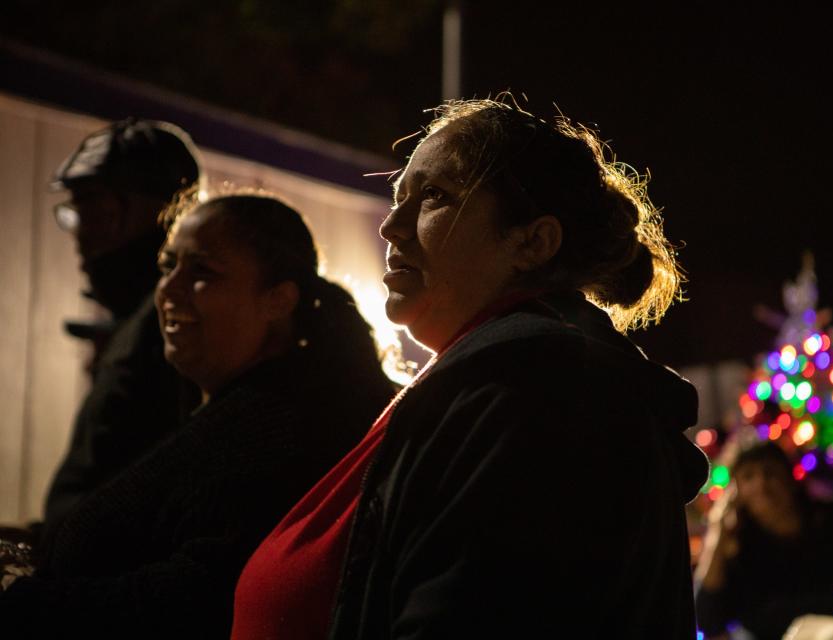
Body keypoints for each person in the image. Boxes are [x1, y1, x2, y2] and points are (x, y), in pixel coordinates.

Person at [232, 97, 709, 639]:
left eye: (434, 196)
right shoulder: (489, 382)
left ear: (531, 242)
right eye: (398, 198)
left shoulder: (533, 396)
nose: (392, 226)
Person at [0, 192, 397, 638]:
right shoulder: (224, 410)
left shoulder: (282, 430)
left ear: (279, 300)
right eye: (168, 266)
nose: (168, 289)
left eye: (202, 271)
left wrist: (19, 599)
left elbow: (195, 600)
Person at [43, 118, 202, 531]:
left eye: (99, 211)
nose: (81, 236)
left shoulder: (177, 325)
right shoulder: (140, 320)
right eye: (75, 214)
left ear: (164, 210)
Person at [694, 441, 833, 640]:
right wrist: (719, 531)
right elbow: (708, 619)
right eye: (748, 476)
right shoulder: (742, 549)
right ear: (736, 492)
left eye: (770, 472)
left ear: (789, 478)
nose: (762, 485)